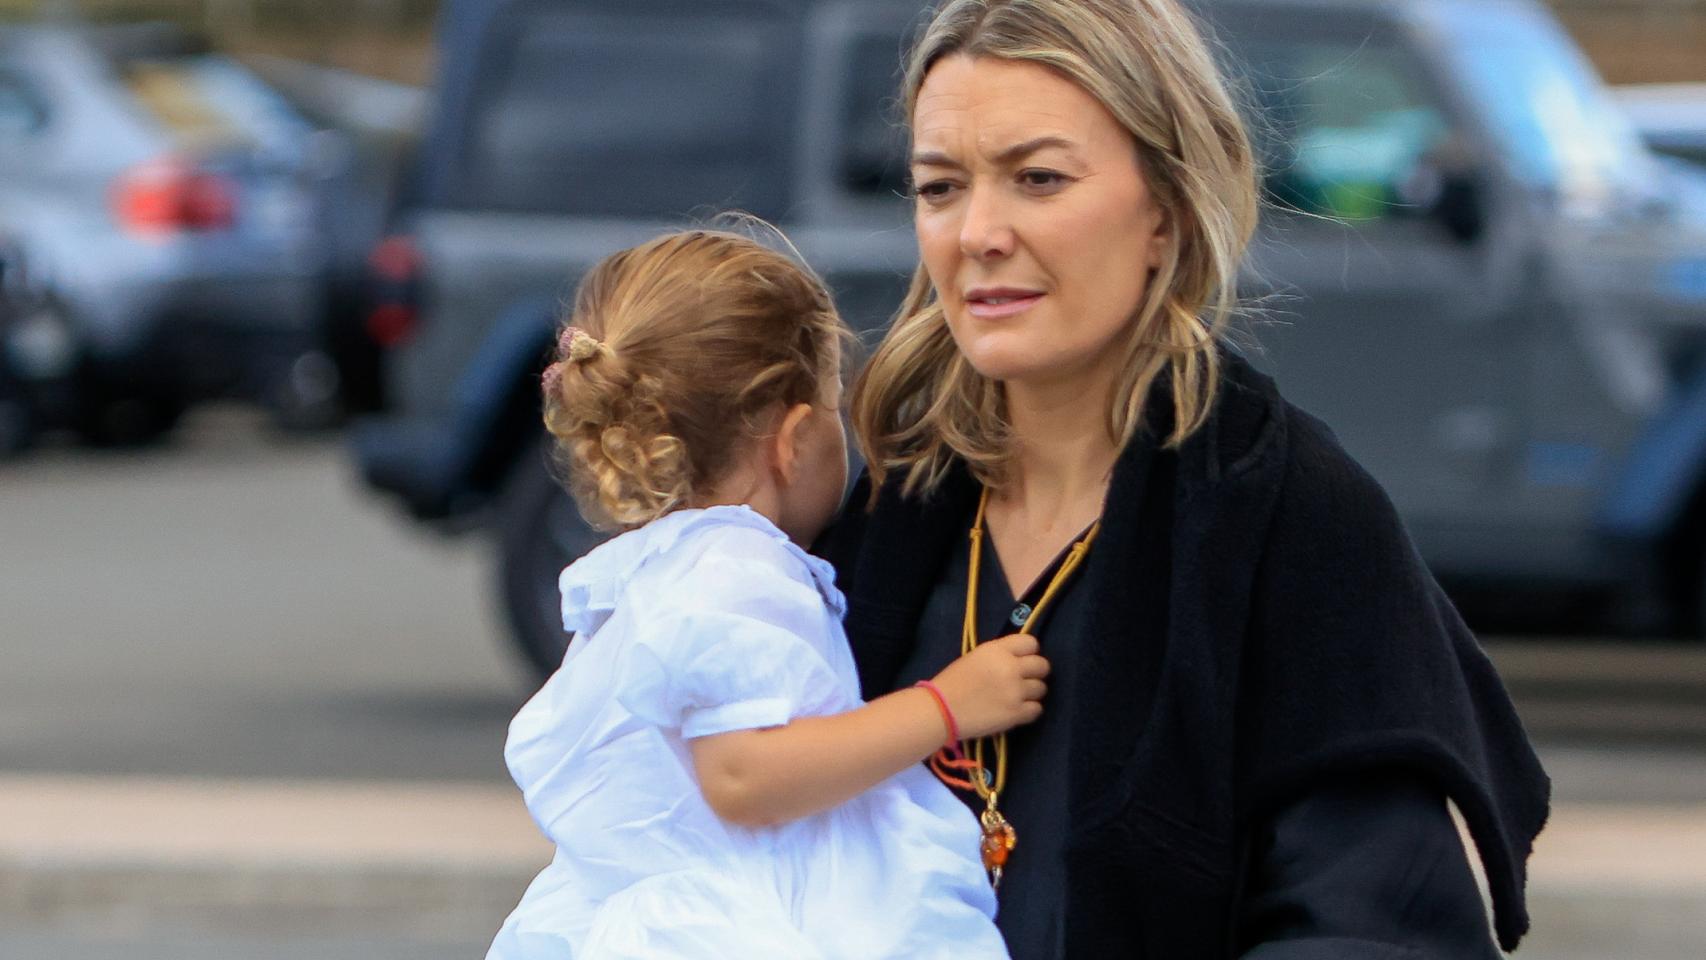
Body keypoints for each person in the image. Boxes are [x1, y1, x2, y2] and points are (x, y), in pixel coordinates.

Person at [814, 1, 1552, 958]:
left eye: (1039, 179)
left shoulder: (1290, 513)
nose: (978, 233)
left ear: (1165, 209)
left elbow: (1375, 925)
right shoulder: (885, 511)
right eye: (940, 187)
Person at [484, 229, 1030, 960]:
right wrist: (946, 707)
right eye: (835, 409)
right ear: (793, 439)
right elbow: (744, 775)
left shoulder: (665, 570)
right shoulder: (735, 572)